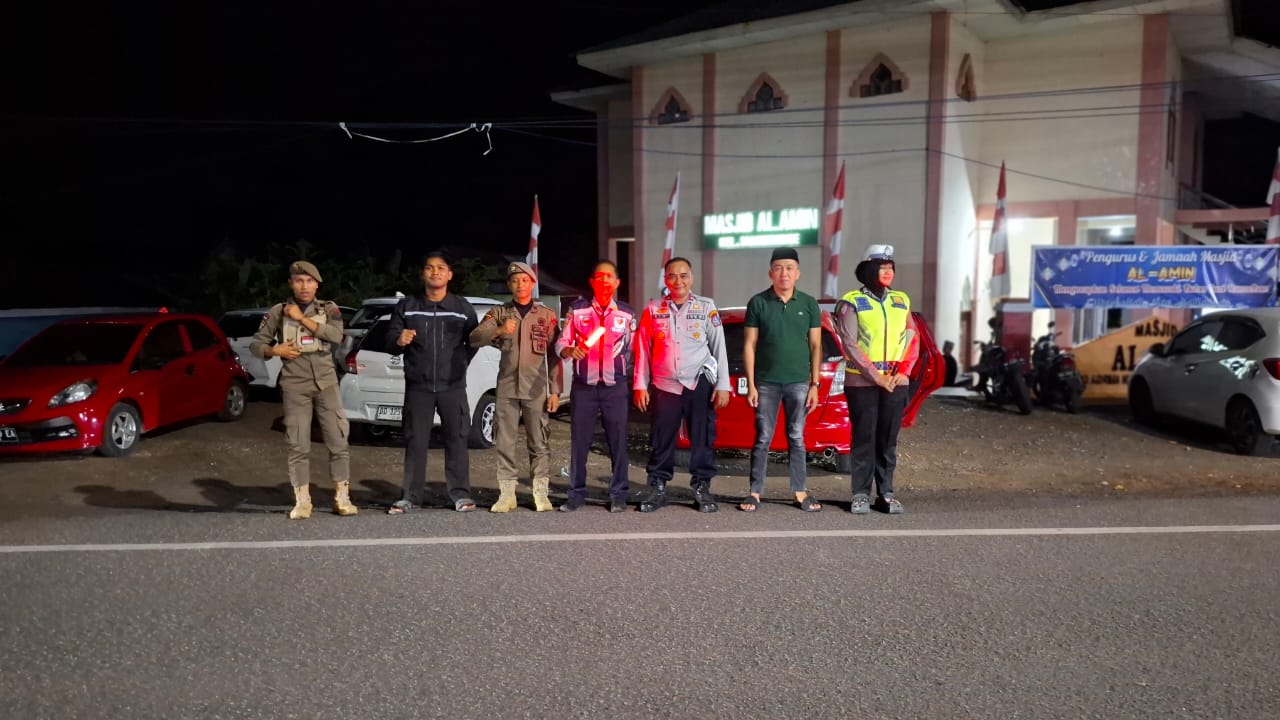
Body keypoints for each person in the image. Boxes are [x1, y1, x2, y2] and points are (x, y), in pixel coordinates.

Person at [249, 260, 357, 519]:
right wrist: (274, 350)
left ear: (317, 284)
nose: (304, 286)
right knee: (298, 443)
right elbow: (256, 344)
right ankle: (302, 500)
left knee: (338, 440)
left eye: (309, 281)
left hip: (326, 382)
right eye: (299, 281)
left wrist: (302, 319)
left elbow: (336, 336)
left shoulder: (329, 309)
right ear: (291, 284)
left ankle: (342, 497)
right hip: (295, 383)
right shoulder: (278, 311)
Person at [633, 257, 731, 513]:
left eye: (684, 275)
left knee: (702, 437)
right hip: (664, 385)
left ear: (692, 278)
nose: (679, 281)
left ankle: (701, 487)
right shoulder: (653, 309)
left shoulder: (706, 307)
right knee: (661, 438)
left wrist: (723, 384)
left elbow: (719, 347)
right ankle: (657, 487)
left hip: (698, 382)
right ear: (665, 279)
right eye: (672, 276)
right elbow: (643, 349)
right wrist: (640, 384)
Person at [385, 250, 480, 514]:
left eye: (441, 268)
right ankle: (411, 496)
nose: (435, 272)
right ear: (422, 274)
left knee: (457, 439)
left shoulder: (461, 308)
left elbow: (474, 341)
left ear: (449, 275)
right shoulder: (407, 306)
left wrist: (459, 364)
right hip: (419, 387)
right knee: (415, 441)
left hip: (453, 386)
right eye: (429, 267)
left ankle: (460, 494)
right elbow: (389, 340)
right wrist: (399, 340)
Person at [470, 261, 563, 512]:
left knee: (539, 441)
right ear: (509, 285)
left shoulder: (546, 316)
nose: (520, 284)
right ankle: (507, 494)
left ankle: (540, 493)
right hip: (507, 388)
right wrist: (499, 330)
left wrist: (555, 390)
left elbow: (555, 355)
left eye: (524, 280)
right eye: (514, 281)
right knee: (505, 442)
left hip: (536, 389)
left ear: (532, 283)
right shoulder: (499, 313)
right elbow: (475, 338)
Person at [833, 244, 919, 515]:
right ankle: (860, 494)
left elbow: (912, 337)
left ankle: (886, 493)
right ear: (868, 270)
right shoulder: (851, 302)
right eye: (882, 267)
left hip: (895, 382)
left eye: (890, 267)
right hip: (862, 383)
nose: (888, 271)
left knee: (888, 440)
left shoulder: (901, 300)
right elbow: (850, 344)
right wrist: (876, 377)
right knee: (864, 438)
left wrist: (904, 372)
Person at [740, 247, 824, 513]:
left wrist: (815, 384)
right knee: (763, 437)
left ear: (798, 273)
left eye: (789, 268)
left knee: (796, 437)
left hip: (799, 382)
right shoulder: (758, 303)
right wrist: (751, 384)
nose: (784, 273)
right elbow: (749, 345)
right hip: (766, 382)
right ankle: (755, 492)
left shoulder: (809, 304)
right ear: (770, 273)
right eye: (778, 268)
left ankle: (800, 491)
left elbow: (815, 346)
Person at [555, 260, 637, 512]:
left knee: (618, 441)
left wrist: (632, 379)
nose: (604, 281)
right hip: (584, 388)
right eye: (599, 276)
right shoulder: (577, 311)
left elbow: (634, 350)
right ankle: (576, 493)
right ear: (592, 282)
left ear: (617, 282)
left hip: (615, 387)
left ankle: (618, 494)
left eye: (609, 276)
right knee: (580, 442)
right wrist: (570, 350)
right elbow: (561, 343)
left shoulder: (626, 314)